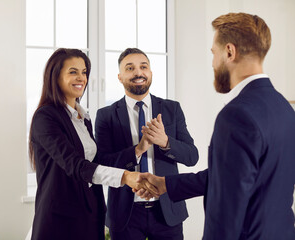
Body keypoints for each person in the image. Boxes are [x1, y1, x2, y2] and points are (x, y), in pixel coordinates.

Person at [136, 12, 295, 240]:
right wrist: (166, 184)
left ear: (229, 52)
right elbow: (235, 176)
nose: (212, 62)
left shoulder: (236, 115)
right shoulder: (284, 108)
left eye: (213, 53)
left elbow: (225, 213)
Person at [28, 48, 158, 240]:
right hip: (60, 219)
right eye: (73, 72)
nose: (81, 78)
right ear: (55, 77)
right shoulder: (46, 117)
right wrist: (125, 177)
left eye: (84, 72)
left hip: (90, 215)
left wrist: (138, 151)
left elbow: (98, 161)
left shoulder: (83, 118)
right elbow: (75, 165)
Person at [95, 48, 199, 240]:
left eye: (143, 67)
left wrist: (165, 142)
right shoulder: (106, 115)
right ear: (120, 77)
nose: (138, 73)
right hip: (125, 214)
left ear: (150, 73)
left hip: (167, 211)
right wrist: (137, 150)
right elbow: (102, 163)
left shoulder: (171, 109)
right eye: (130, 68)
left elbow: (192, 156)